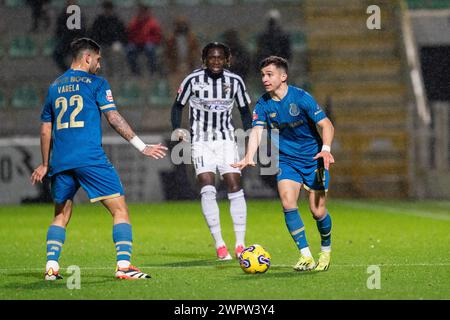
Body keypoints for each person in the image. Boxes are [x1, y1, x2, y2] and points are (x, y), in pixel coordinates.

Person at [30, 38, 168, 280]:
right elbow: (113, 118)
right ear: (87, 58)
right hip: (90, 158)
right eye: (98, 59)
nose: (100, 65)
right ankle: (124, 266)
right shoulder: (97, 83)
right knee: (120, 210)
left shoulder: (54, 86)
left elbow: (45, 129)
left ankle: (51, 267)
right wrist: (141, 145)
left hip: (60, 161)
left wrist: (44, 163)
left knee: (60, 215)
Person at [233, 56, 335, 271]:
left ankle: (325, 251)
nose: (265, 79)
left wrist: (325, 149)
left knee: (317, 211)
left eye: (269, 74)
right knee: (288, 203)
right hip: (287, 161)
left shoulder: (301, 98)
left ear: (283, 76)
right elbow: (257, 131)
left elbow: (327, 125)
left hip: (314, 160)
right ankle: (305, 255)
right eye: (262, 75)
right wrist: (249, 155)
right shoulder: (263, 103)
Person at [171, 42, 253, 260]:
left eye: (220, 58)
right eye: (211, 58)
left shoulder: (235, 81)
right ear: (204, 60)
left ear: (227, 60)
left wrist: (250, 134)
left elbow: (245, 110)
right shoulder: (192, 80)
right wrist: (177, 128)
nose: (215, 61)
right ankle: (220, 245)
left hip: (226, 140)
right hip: (200, 141)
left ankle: (240, 244)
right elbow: (178, 105)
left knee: (235, 184)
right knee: (207, 185)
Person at [90, 1, 127, 76]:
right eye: (106, 9)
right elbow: (94, 33)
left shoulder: (116, 20)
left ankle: (115, 74)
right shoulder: (99, 20)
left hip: (113, 44)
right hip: (101, 44)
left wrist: (119, 42)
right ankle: (100, 75)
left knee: (116, 52)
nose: (107, 11)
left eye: (109, 9)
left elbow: (122, 33)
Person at [165, 16, 200, 96]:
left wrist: (189, 63)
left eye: (183, 24)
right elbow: (168, 54)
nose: (182, 27)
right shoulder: (170, 39)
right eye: (179, 25)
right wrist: (174, 65)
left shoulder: (192, 38)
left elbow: (195, 52)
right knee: (176, 93)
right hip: (175, 68)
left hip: (189, 67)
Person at [126, 4, 162, 77]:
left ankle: (153, 71)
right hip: (137, 44)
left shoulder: (152, 23)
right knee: (130, 50)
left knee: (150, 49)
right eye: (141, 11)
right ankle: (135, 72)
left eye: (144, 11)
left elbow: (158, 36)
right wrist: (134, 41)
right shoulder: (134, 22)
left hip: (148, 43)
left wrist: (150, 40)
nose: (143, 13)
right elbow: (129, 34)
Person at [53, 0, 86, 72]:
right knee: (57, 55)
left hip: (75, 40)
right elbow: (60, 27)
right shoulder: (64, 13)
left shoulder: (77, 14)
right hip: (66, 40)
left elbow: (81, 29)